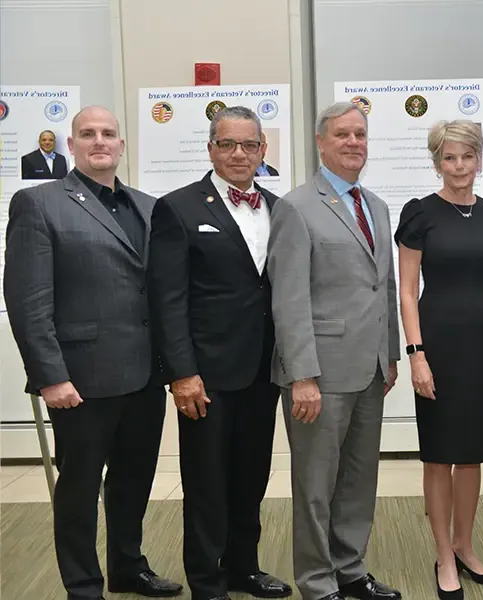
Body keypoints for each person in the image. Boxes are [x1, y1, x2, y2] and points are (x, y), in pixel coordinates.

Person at [3, 106, 181, 600]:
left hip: (145, 374)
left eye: (108, 134)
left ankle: (128, 567)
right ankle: (83, 584)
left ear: (122, 146)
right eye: (88, 134)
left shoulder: (150, 206)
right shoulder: (38, 203)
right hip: (79, 379)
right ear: (72, 144)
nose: (99, 141)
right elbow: (27, 300)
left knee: (133, 481)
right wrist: (49, 375)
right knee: (80, 488)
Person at [147, 106, 291, 600]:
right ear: (210, 148)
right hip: (205, 374)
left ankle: (243, 569)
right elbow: (167, 298)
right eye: (227, 144)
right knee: (206, 483)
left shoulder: (276, 206)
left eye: (249, 145)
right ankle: (207, 582)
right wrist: (181, 373)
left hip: (262, 369)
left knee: (251, 476)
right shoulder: (179, 207)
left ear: (262, 150)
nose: (238, 154)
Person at [267, 101, 401, 600]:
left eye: (360, 135)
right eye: (342, 134)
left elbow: (381, 287)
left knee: (359, 481)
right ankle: (318, 583)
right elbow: (289, 297)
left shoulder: (378, 207)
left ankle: (350, 569)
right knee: (316, 486)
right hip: (319, 374)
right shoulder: (297, 206)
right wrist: (302, 375)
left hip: (369, 371)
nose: (353, 143)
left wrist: (389, 355)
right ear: (321, 142)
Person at [394, 120, 483, 600]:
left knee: (472, 455)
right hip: (439, 345)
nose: (459, 167)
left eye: (466, 157)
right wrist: (416, 355)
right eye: (449, 158)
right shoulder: (420, 214)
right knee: (439, 455)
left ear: (479, 159)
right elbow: (408, 292)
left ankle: (466, 547)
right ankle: (443, 556)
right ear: (437, 163)